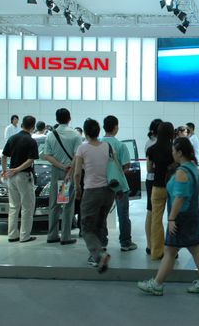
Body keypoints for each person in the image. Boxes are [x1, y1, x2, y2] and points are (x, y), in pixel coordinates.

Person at [138, 137, 199, 296]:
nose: (172, 153)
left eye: (173, 150)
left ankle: (157, 284)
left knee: (171, 251)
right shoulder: (193, 167)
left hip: (181, 218)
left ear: (179, 152)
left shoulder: (181, 172)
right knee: (195, 250)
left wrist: (171, 219)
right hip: (192, 215)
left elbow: (179, 198)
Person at [74, 118, 114, 273]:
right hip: (108, 191)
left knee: (86, 227)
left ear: (85, 132)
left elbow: (77, 173)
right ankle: (101, 248)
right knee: (101, 222)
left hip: (91, 191)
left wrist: (78, 188)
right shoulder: (107, 146)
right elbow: (113, 165)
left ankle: (98, 254)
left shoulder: (82, 149)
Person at [44, 108, 82, 245]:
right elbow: (78, 156)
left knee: (55, 204)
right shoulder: (75, 135)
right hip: (68, 174)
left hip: (56, 172)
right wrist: (68, 169)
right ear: (69, 118)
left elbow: (47, 155)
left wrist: (60, 165)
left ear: (56, 119)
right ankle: (65, 236)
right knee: (67, 204)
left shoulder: (50, 135)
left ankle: (52, 235)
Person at [100, 115, 137, 252]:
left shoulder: (98, 144)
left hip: (102, 183)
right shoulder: (121, 145)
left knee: (102, 214)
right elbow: (126, 165)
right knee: (123, 214)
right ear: (116, 127)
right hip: (120, 185)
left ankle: (102, 242)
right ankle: (125, 243)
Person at [1, 115, 39, 243]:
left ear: (22, 125)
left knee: (13, 206)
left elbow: (4, 156)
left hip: (11, 176)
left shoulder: (12, 138)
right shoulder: (31, 141)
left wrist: (5, 171)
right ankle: (24, 236)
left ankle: (12, 235)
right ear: (33, 127)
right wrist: (18, 169)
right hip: (24, 176)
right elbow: (30, 160)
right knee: (27, 207)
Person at [146, 122, 175, 260]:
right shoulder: (174, 148)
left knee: (156, 220)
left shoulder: (152, 149)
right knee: (173, 218)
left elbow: (149, 169)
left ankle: (156, 252)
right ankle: (173, 251)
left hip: (157, 187)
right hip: (173, 188)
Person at [144, 118, 162, 255]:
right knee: (154, 214)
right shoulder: (158, 144)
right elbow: (150, 168)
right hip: (157, 180)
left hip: (151, 180)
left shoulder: (149, 143)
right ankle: (153, 245)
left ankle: (150, 245)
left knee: (151, 213)